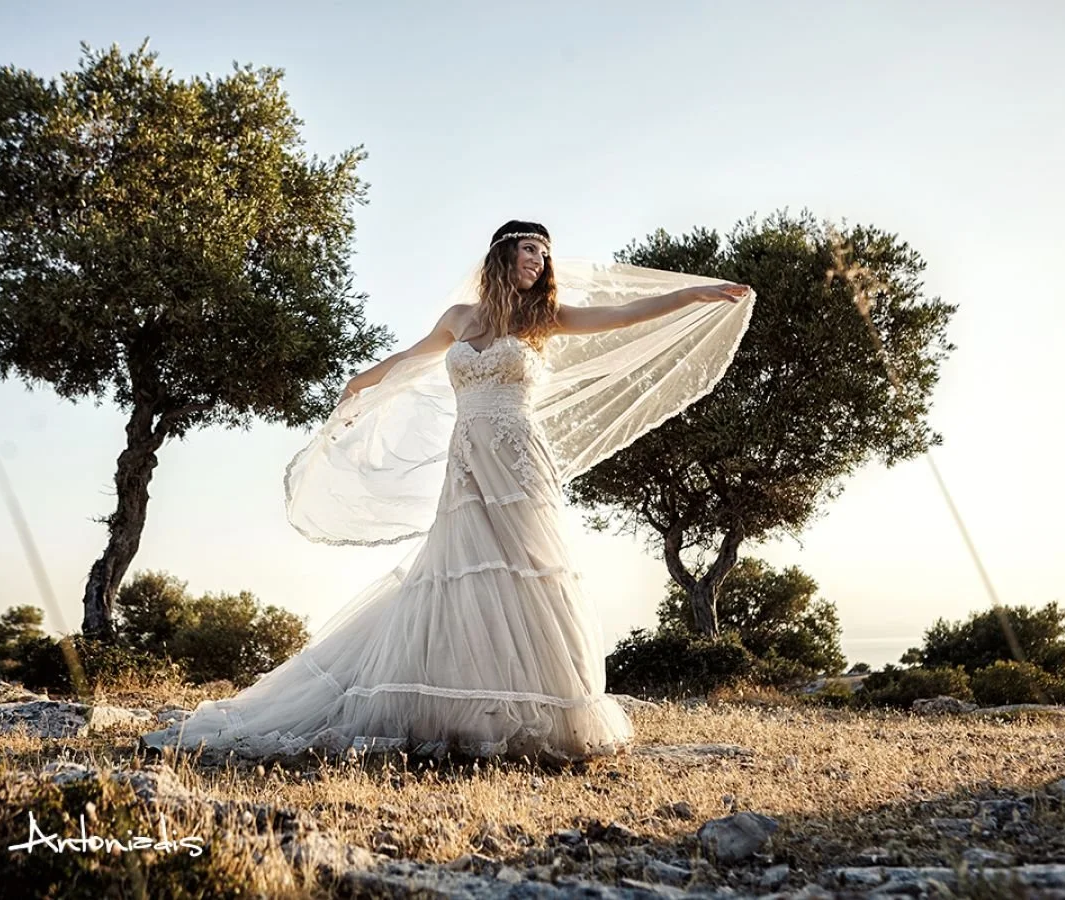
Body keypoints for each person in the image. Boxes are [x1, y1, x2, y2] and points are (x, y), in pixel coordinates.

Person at [140, 220, 753, 764]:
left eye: (544, 255)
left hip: (519, 459)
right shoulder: (461, 319)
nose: (539, 263)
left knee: (526, 567)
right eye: (530, 251)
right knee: (458, 567)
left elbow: (625, 317)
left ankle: (544, 709)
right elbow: (412, 356)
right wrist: (363, 380)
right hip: (467, 461)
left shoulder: (545, 319)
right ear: (502, 255)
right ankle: (452, 706)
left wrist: (698, 292)